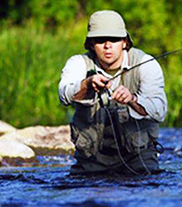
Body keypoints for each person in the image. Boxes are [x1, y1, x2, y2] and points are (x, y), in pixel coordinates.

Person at [58, 10, 167, 175]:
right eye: (101, 40)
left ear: (124, 42)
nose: (107, 45)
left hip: (138, 157)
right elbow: (64, 94)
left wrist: (132, 99)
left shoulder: (146, 64)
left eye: (114, 39)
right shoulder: (78, 63)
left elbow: (159, 111)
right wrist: (87, 84)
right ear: (92, 43)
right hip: (91, 159)